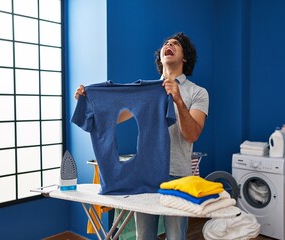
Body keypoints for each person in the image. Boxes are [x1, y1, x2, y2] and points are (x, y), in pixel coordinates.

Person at [75, 32, 209, 240]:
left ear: (184, 57)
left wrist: (179, 101)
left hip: (178, 176)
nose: (168, 44)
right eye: (165, 43)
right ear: (161, 57)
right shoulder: (147, 93)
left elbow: (192, 135)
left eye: (175, 44)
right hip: (146, 174)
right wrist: (90, 99)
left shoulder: (198, 93)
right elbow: (116, 115)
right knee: (144, 236)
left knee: (175, 237)